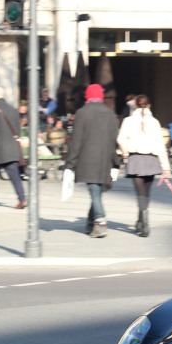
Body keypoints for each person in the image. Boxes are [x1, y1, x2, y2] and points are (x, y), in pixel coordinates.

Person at [64, 83, 121, 238]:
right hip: (105, 159)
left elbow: (76, 141)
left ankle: (101, 222)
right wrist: (116, 162)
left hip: (87, 160)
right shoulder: (110, 114)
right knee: (97, 190)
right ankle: (90, 223)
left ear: (87, 96)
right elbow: (113, 140)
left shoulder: (82, 113)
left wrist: (70, 163)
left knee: (94, 191)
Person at [116, 94, 171, 237]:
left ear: (135, 106)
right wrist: (166, 167)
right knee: (146, 193)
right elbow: (160, 145)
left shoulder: (128, 121)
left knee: (140, 193)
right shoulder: (155, 122)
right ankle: (142, 221)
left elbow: (121, 139)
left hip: (135, 159)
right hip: (151, 159)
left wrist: (126, 152)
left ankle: (143, 222)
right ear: (149, 106)